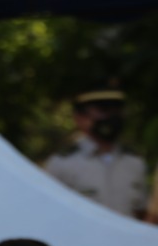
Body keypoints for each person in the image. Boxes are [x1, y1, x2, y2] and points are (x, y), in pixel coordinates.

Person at [44, 89, 148, 219]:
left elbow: (141, 214)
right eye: (103, 110)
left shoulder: (135, 163)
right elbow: (49, 213)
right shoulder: (62, 163)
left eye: (116, 110)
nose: (111, 117)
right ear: (80, 118)